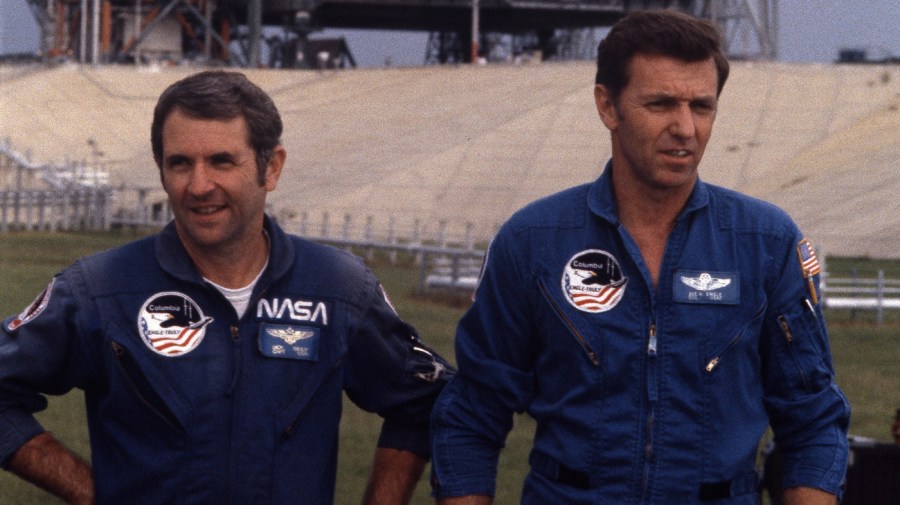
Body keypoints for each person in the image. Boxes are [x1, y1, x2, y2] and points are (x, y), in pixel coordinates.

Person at [430, 10, 850, 505]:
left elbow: (812, 421)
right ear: (608, 107)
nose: (686, 128)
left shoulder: (765, 242)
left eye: (702, 106)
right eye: (661, 104)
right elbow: (471, 417)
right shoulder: (534, 241)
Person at [0, 70, 452, 504]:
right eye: (180, 163)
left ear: (270, 167)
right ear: (160, 169)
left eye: (221, 161)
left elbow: (426, 398)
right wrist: (88, 490)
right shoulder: (100, 290)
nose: (199, 185)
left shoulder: (338, 289)